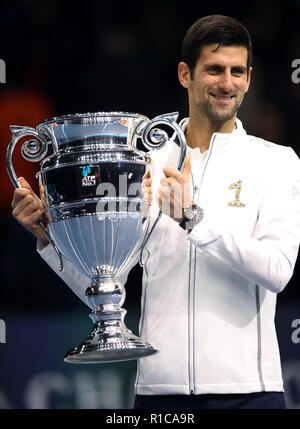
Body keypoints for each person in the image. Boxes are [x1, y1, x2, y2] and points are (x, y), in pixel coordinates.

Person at [11, 15, 300, 409]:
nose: (226, 83)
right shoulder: (143, 163)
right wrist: (48, 238)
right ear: (186, 74)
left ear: (249, 78)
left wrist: (192, 220)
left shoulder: (277, 162)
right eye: (214, 69)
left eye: (237, 71)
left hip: (250, 392)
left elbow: (278, 270)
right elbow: (109, 283)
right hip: (158, 393)